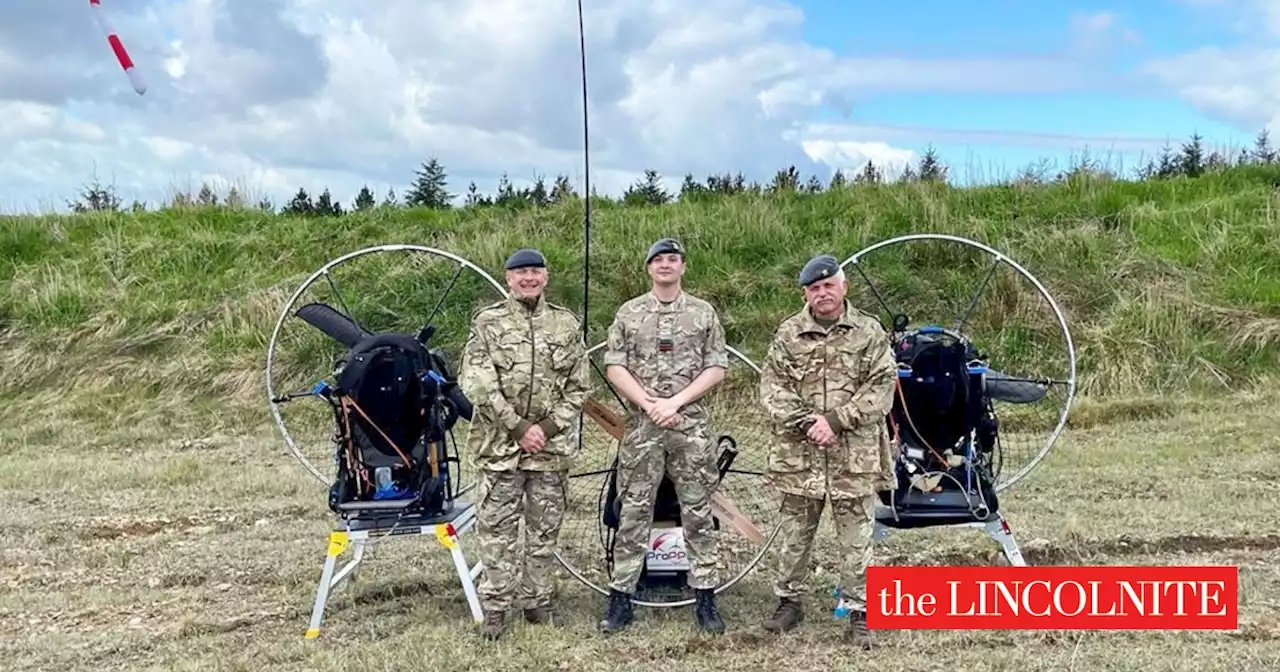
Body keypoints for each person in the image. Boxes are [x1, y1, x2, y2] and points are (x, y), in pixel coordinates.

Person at [756, 253, 897, 649]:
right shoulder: (789, 334)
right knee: (795, 534)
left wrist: (836, 420)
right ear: (806, 293)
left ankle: (859, 612)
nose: (823, 294)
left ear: (843, 286)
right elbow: (772, 388)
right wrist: (808, 422)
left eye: (829, 285)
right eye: (815, 289)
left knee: (856, 537)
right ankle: (789, 602)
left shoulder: (869, 332)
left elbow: (882, 386)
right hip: (799, 454)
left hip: (853, 453)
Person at [597, 237, 729, 635]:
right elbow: (614, 364)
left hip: (690, 428)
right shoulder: (630, 313)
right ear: (649, 268)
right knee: (634, 512)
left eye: (673, 259)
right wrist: (648, 402)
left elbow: (717, 366)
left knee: (698, 512)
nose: (666, 265)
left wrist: (676, 402)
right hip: (642, 428)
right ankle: (621, 596)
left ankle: (705, 597)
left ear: (683, 266)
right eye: (659, 260)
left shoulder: (703, 313)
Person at [458, 247, 590, 640]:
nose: (529, 278)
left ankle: (537, 602)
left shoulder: (566, 325)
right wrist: (518, 427)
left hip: (549, 451)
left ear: (545, 277)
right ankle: (496, 606)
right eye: (521, 273)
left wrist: (546, 428)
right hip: (500, 447)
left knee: (543, 530)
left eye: (536, 272)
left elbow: (579, 386)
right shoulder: (488, 322)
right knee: (496, 530)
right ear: (508, 277)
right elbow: (478, 383)